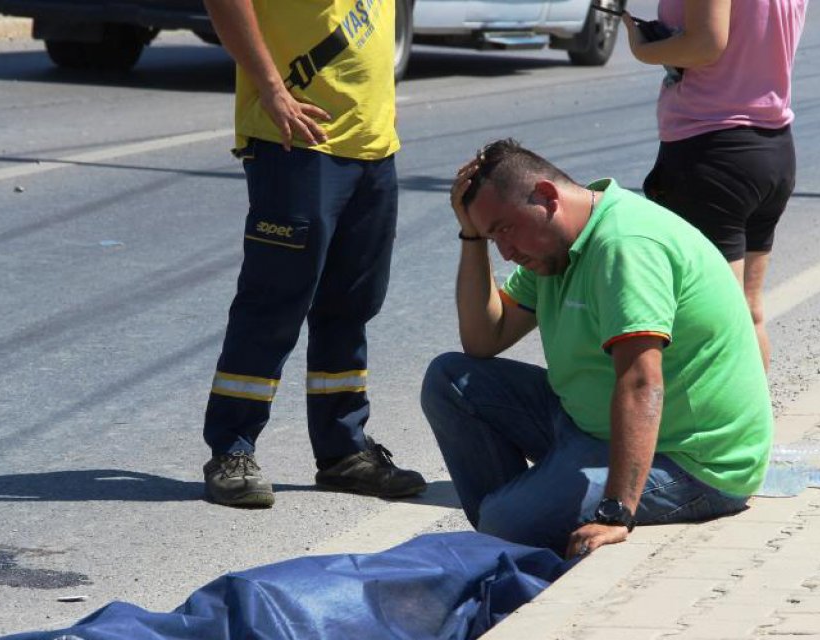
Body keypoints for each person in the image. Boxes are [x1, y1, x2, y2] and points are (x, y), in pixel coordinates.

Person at [421, 139, 773, 557]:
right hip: (590, 427)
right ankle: (517, 530)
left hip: (687, 461)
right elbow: (483, 339)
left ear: (547, 198)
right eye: (491, 237)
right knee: (450, 380)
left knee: (504, 522)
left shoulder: (625, 245)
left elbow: (642, 382)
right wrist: (471, 238)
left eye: (503, 230)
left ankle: (515, 532)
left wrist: (616, 511)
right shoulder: (555, 246)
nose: (506, 252)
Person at [199, 0, 425, 508]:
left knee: (351, 307)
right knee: (273, 303)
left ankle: (344, 452)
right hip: (295, 142)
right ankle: (232, 448)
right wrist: (272, 90)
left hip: (372, 145)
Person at [623, 0, 808, 369]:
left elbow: (706, 45)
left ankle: (727, 424)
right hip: (772, 145)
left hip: (711, 152)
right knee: (749, 312)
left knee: (715, 317)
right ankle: (755, 422)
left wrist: (643, 47)